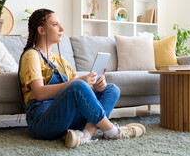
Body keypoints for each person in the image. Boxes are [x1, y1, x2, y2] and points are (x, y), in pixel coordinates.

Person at [18, 8, 146, 148]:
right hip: (43, 122)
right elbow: (39, 93)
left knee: (111, 89)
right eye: (55, 25)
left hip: (67, 120)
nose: (62, 28)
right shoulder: (31, 55)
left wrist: (95, 87)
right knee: (78, 85)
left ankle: (85, 135)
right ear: (41, 30)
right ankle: (112, 131)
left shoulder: (59, 59)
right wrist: (78, 82)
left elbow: (80, 93)